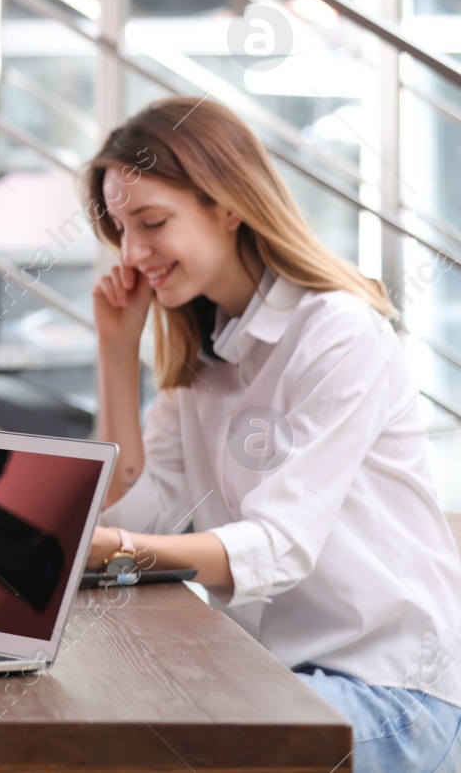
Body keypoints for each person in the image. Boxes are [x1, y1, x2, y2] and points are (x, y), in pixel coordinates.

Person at [85, 96, 461, 772]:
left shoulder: (337, 333)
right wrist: (116, 357)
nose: (133, 253)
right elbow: (130, 510)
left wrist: (122, 551)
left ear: (227, 205)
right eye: (120, 229)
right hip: (275, 675)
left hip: (392, 692)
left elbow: (279, 545)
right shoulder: (204, 359)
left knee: (164, 754)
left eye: (152, 222)